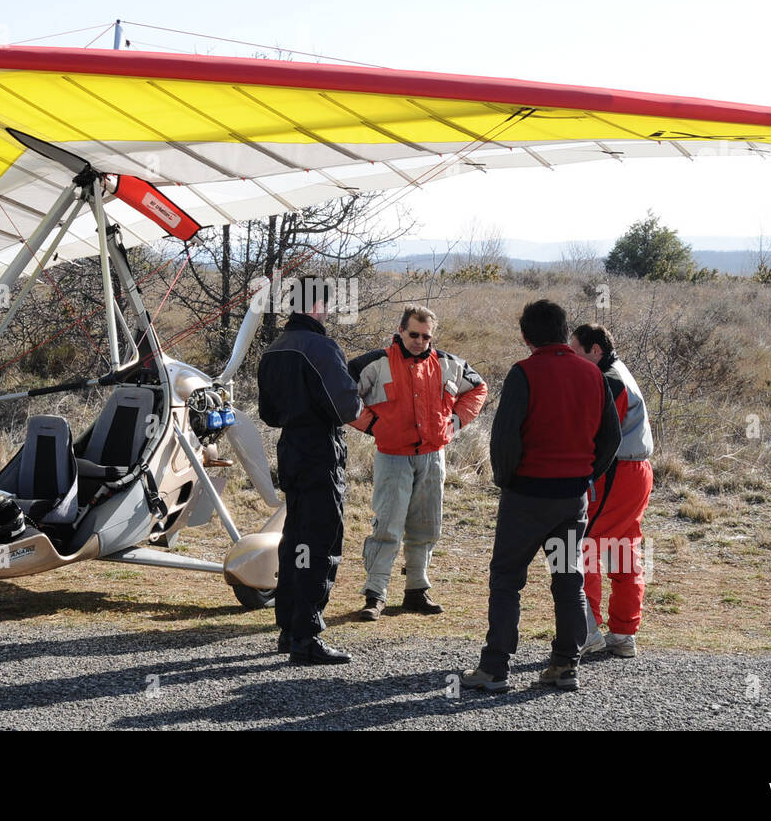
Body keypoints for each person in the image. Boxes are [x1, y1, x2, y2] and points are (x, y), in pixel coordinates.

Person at [462, 300, 620, 692]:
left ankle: (495, 667)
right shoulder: (593, 374)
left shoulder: (524, 373)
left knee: (506, 580)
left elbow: (505, 437)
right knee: (569, 581)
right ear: (567, 332)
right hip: (572, 499)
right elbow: (611, 438)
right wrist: (586, 473)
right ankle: (565, 664)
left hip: (527, 496)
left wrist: (507, 480)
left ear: (525, 336)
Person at [347, 305, 488, 620]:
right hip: (392, 456)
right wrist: (371, 425)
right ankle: (375, 594)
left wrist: (454, 423)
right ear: (400, 331)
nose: (420, 341)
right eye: (414, 334)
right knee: (387, 525)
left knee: (426, 525)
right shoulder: (374, 363)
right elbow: (342, 394)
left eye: (426, 337)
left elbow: (478, 389)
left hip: (432, 457)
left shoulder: (449, 364)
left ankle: (416, 591)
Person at [257, 275, 363, 665]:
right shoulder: (320, 347)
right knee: (319, 544)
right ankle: (307, 635)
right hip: (320, 452)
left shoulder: (274, 349)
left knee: (296, 540)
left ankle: (289, 628)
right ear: (318, 306)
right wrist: (356, 389)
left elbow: (269, 414)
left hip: (291, 452)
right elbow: (346, 409)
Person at [571, 323, 654, 659]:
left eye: (575, 351)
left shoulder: (610, 380)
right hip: (635, 470)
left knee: (585, 543)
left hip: (617, 470)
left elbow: (601, 435)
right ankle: (622, 633)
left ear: (595, 351)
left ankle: (587, 631)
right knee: (623, 547)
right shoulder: (617, 373)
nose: (571, 357)